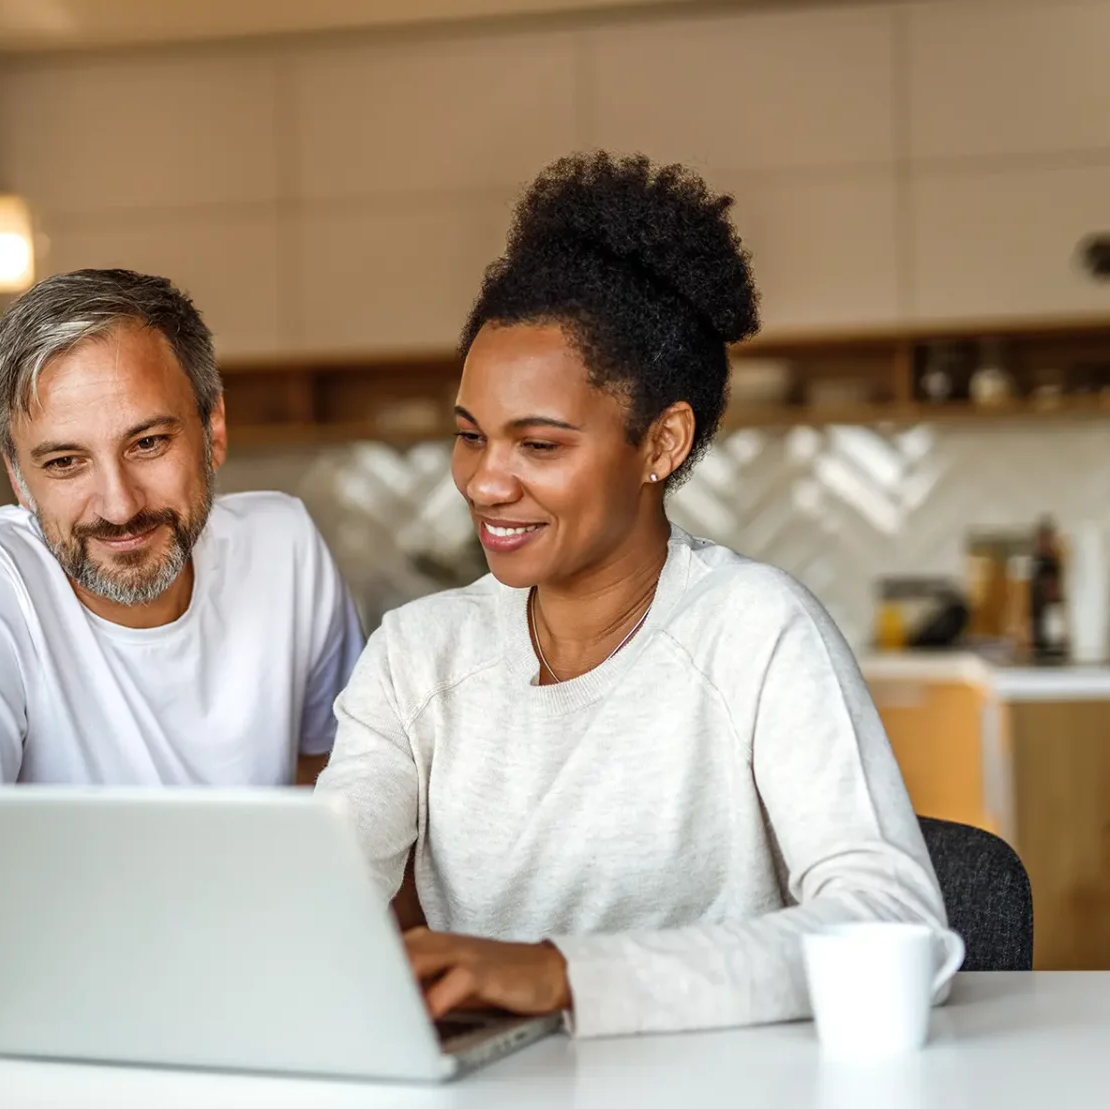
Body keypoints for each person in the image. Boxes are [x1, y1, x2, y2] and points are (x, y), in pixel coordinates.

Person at [315, 153, 950, 1039]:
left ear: (662, 444)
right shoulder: (418, 654)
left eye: (538, 446)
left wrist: (563, 974)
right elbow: (322, 891)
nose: (485, 483)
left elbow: (897, 923)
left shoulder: (754, 628)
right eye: (470, 437)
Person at [0, 268, 363, 985]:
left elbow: (350, 818)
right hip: (6, 1031)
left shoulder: (285, 546)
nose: (119, 504)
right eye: (65, 462)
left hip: (243, 999)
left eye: (149, 443)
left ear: (212, 430)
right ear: (17, 478)